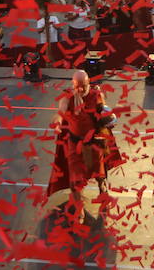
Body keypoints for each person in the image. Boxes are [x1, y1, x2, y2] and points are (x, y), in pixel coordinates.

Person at [47, 70, 124, 217]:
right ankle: (79, 207)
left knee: (100, 174)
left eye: (83, 86)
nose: (80, 89)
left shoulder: (96, 95)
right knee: (75, 181)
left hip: (94, 142)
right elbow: (60, 112)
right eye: (77, 86)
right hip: (75, 144)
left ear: (88, 83)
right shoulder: (67, 97)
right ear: (73, 84)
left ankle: (103, 190)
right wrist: (57, 123)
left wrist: (109, 119)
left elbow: (104, 112)